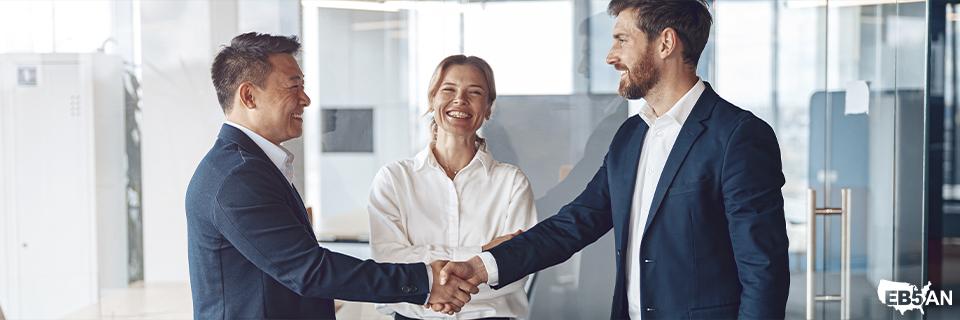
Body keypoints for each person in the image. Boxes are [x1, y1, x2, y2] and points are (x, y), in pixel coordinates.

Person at [440, 1, 790, 319]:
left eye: (622, 40)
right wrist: (482, 267)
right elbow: (574, 223)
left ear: (665, 43)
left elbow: (763, 269)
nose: (611, 56)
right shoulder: (629, 136)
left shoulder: (738, 136)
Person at [185, 32, 477, 320]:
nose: (306, 98)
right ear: (249, 96)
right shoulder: (238, 177)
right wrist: (426, 281)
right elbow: (310, 271)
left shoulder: (248, 165)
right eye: (293, 86)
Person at [368, 55, 538, 320]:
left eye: (475, 92)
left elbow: (517, 270)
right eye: (448, 89)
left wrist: (426, 278)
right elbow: (389, 262)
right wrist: (484, 253)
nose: (460, 99)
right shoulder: (394, 179)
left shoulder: (512, 183)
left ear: (488, 107)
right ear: (432, 99)